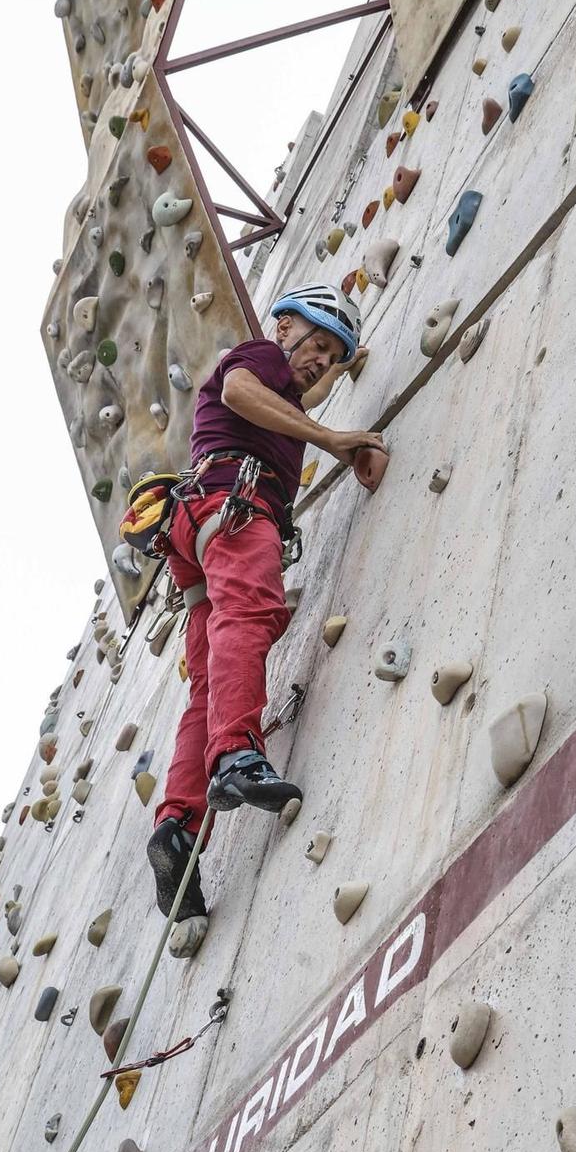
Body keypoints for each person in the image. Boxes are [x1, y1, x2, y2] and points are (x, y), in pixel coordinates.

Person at [144, 284, 386, 925]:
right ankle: (236, 754)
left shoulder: (287, 392)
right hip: (236, 508)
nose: (318, 362)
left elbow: (280, 402)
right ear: (286, 326)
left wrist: (329, 404)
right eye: (319, 344)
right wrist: (334, 439)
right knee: (248, 616)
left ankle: (179, 830)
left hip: (194, 529)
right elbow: (241, 393)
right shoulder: (265, 356)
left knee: (205, 683)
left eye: (333, 355)